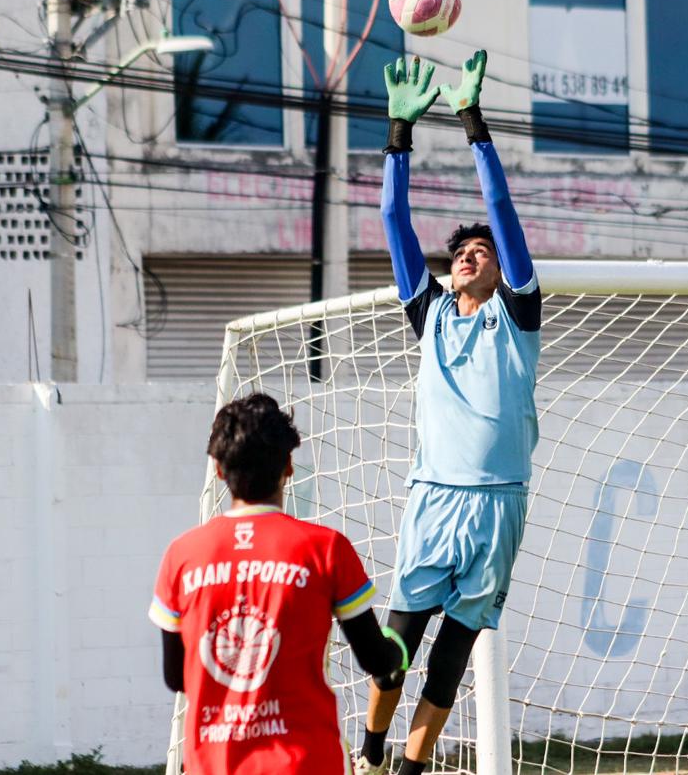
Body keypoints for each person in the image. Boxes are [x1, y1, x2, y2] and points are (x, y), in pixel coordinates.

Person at [356, 50, 540, 775]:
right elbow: (391, 214)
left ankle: (410, 766)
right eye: (462, 250)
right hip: (434, 502)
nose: (472, 253)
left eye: (483, 250)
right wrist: (399, 128)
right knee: (396, 649)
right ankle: (370, 744)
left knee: (451, 660)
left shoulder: (519, 314)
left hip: (497, 507)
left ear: (501, 268)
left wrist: (473, 121)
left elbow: (501, 211)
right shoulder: (428, 312)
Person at [150, 393, 410, 775]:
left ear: (220, 471)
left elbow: (176, 678)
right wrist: (397, 650)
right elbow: (375, 660)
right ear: (288, 466)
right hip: (308, 763)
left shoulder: (181, 556)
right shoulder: (325, 549)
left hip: (213, 765)